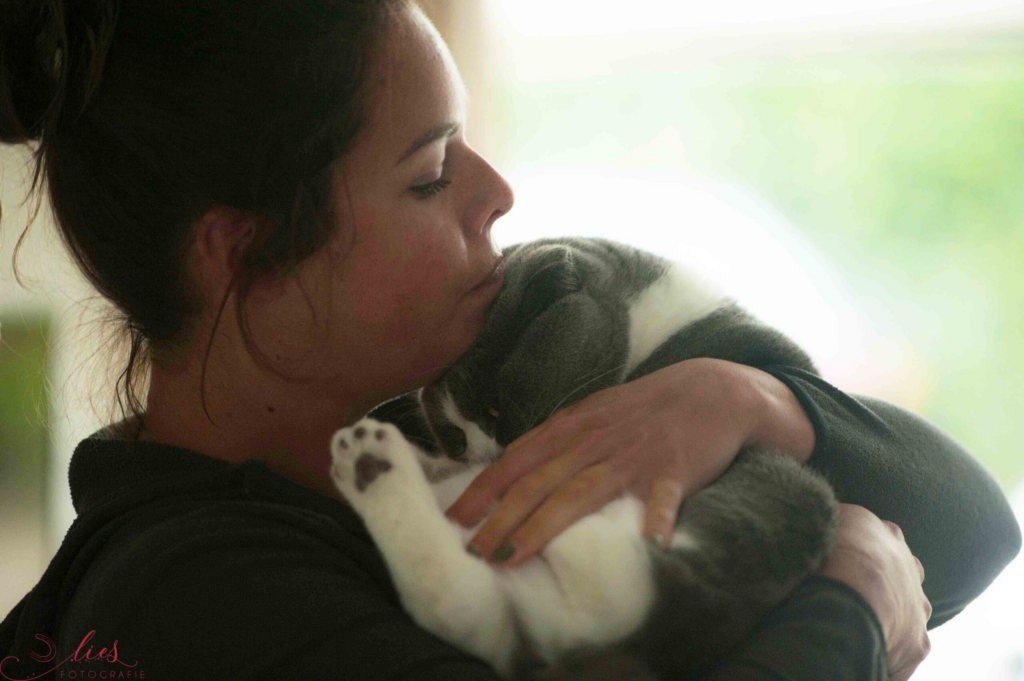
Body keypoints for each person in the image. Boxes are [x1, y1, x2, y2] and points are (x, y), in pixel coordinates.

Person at [0, 1, 1018, 679]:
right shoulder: (215, 601)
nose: (497, 194)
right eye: (429, 173)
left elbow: (973, 527)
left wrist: (750, 401)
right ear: (244, 251)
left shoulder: (495, 366)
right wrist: (849, 609)